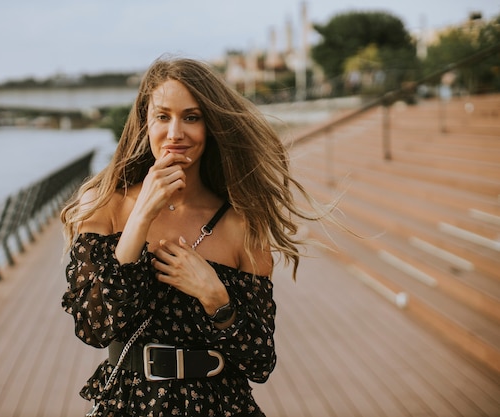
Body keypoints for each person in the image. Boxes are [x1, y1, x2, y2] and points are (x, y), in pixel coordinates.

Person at [60, 56, 317, 416]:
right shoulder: (105, 206)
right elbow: (93, 326)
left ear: (210, 127)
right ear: (145, 123)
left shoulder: (242, 224)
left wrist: (216, 298)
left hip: (219, 405)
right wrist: (142, 215)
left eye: (191, 117)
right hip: (131, 405)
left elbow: (260, 361)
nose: (175, 133)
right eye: (163, 116)